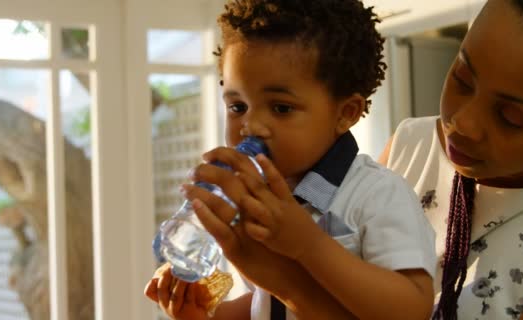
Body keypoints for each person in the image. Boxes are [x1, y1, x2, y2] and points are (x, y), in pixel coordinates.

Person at [144, 0, 438, 319]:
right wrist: (208, 314)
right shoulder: (260, 199)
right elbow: (269, 302)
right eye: (237, 107)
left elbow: (412, 308)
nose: (251, 127)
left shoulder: (377, 195)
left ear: (345, 113)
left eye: (281, 108)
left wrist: (307, 244)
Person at [378, 0, 523, 319]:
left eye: (511, 117)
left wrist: (290, 282)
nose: (463, 123)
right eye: (462, 79)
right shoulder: (409, 146)